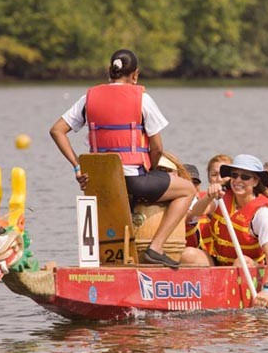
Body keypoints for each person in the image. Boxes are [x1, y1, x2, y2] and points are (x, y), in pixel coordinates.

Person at [49, 49, 195, 267]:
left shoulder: (88, 98)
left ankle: (110, 260)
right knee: (188, 190)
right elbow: (157, 148)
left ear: (111, 72)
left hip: (99, 182)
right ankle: (156, 248)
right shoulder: (142, 99)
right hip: (133, 180)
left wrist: (77, 168)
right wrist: (153, 170)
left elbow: (57, 130)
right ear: (134, 75)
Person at [186, 155, 268, 308]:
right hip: (219, 264)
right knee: (188, 254)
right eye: (234, 175)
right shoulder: (222, 199)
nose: (238, 180)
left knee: (240, 261)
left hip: (250, 266)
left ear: (256, 181)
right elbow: (195, 213)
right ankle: (198, 297)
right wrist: (209, 197)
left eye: (245, 177)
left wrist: (267, 290)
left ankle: (234, 300)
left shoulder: (261, 213)